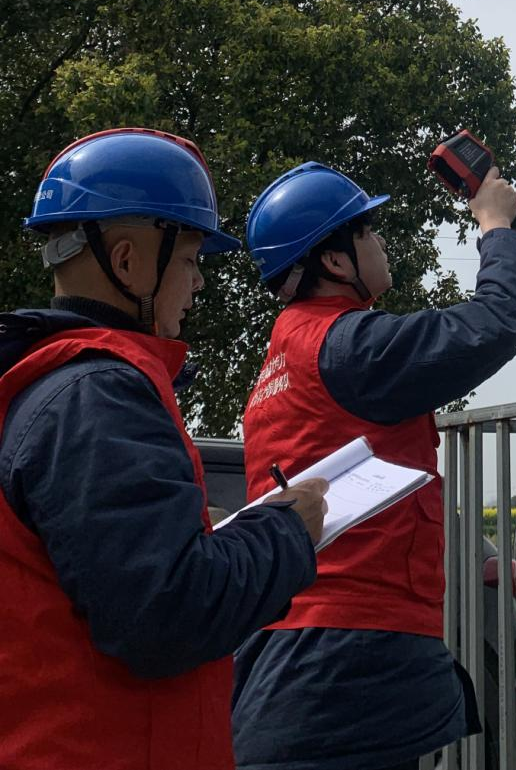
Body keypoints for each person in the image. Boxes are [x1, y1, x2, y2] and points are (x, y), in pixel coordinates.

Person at [0, 127, 330, 770]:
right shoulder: (99, 396)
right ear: (127, 263)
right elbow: (168, 613)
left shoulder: (49, 385)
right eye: (189, 259)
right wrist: (287, 530)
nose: (199, 282)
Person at [231, 158, 516, 770]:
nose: (380, 242)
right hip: (347, 656)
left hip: (299, 649)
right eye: (368, 230)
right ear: (335, 260)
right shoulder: (346, 346)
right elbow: (495, 321)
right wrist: (495, 226)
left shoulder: (286, 359)